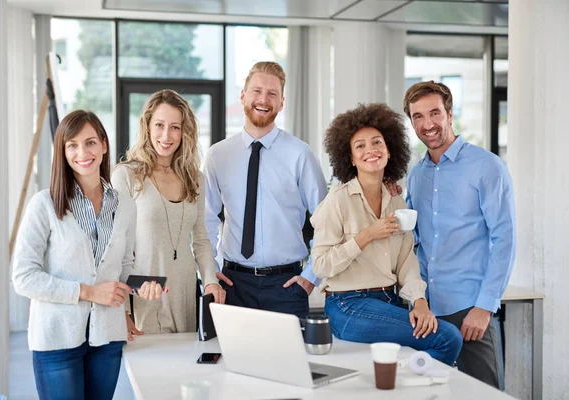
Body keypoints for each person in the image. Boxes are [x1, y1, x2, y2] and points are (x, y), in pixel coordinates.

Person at [12, 110, 164, 400]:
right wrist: (88, 292)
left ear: (104, 145)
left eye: (90, 142)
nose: (83, 152)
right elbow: (23, 278)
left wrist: (141, 287)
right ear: (63, 151)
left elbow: (123, 266)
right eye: (72, 145)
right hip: (56, 340)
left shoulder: (125, 207)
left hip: (107, 337)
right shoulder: (44, 204)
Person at [310, 103, 462, 365]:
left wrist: (419, 302)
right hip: (348, 305)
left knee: (438, 332)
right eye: (360, 146)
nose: (370, 150)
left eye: (377, 142)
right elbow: (321, 265)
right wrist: (366, 235)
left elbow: (406, 261)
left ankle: (400, 385)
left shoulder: (396, 201)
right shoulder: (337, 200)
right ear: (350, 158)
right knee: (447, 337)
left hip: (388, 300)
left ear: (389, 150)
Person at [400, 81, 516, 386]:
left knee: (481, 392)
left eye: (435, 113)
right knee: (428, 391)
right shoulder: (417, 175)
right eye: (418, 117)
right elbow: (413, 241)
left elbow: (504, 239)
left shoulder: (486, 166)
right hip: (426, 312)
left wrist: (484, 307)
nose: (428, 124)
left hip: (469, 310)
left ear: (450, 114)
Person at [204, 61, 328, 319]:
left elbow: (327, 222)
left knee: (288, 360)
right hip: (232, 285)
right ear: (243, 96)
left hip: (287, 287)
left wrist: (310, 277)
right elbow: (205, 220)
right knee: (232, 360)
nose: (263, 99)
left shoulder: (300, 154)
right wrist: (208, 273)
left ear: (281, 103)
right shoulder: (218, 155)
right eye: (256, 91)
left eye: (272, 93)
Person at [112, 89, 225, 338]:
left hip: (185, 296)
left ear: (184, 132)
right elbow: (115, 250)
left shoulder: (195, 179)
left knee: (185, 373)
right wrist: (123, 311)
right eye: (159, 125)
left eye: (175, 127)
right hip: (144, 297)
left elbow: (201, 239)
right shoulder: (126, 175)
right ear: (147, 127)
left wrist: (210, 280)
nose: (166, 135)